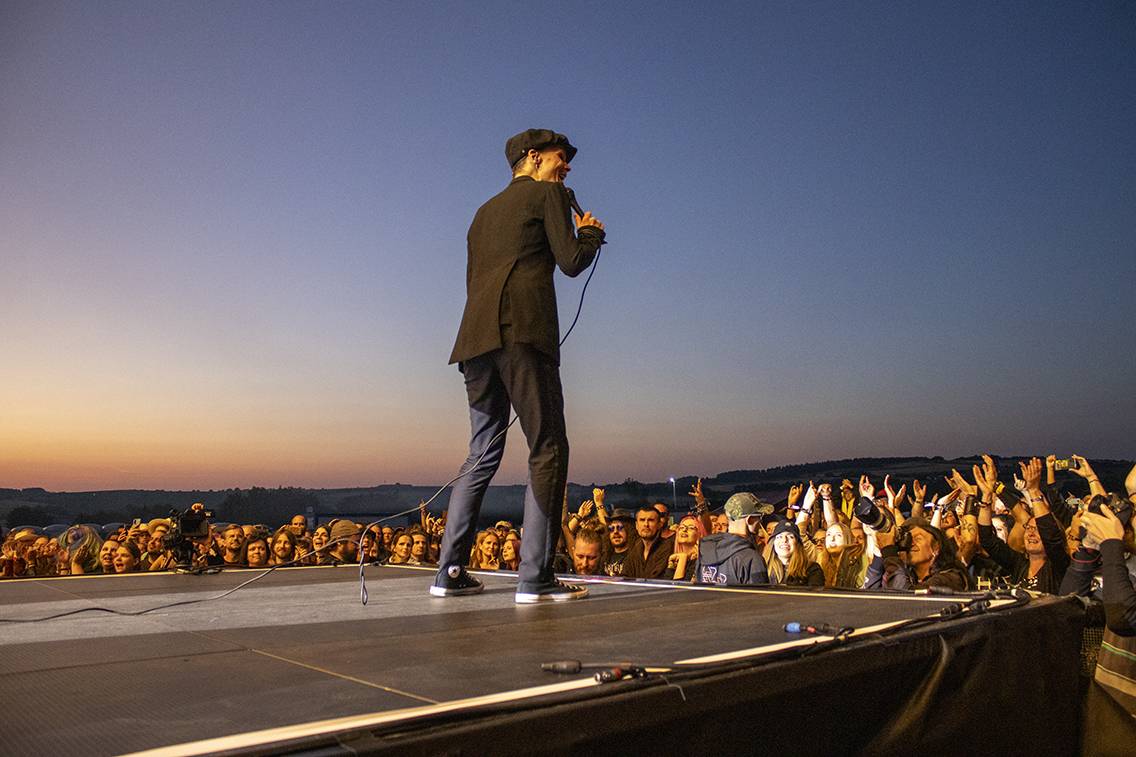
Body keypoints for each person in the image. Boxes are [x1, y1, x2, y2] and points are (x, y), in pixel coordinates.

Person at [430, 128, 605, 604]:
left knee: (482, 451)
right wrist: (589, 234)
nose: (566, 165)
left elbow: (473, 281)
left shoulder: (481, 214)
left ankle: (448, 572)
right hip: (524, 335)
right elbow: (570, 261)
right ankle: (536, 577)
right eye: (559, 156)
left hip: (475, 340)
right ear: (532, 157)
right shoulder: (548, 193)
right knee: (548, 447)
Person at [695, 493, 769, 585]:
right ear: (750, 520)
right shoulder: (752, 559)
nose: (760, 521)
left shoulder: (705, 552)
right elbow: (760, 597)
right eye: (759, 517)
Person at [620, 505, 674, 579]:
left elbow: (656, 579)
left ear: (659, 525)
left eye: (651, 520)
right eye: (642, 520)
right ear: (636, 525)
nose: (646, 524)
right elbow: (625, 575)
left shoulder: (668, 546)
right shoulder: (634, 547)